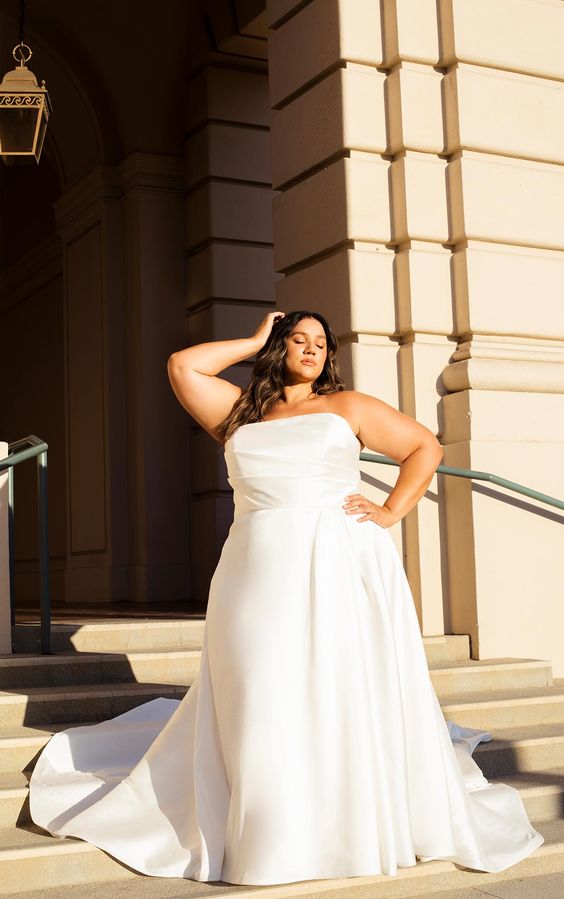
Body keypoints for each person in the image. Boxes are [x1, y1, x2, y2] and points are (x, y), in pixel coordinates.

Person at [29, 309, 544, 886]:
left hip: (339, 557)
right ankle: (267, 826)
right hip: (256, 562)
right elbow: (183, 365)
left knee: (335, 679)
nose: (311, 349)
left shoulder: (348, 406)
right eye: (298, 339)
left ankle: (338, 819)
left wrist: (391, 510)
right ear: (278, 346)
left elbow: (424, 447)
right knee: (259, 680)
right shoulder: (241, 411)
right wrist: (252, 340)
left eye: (321, 342)